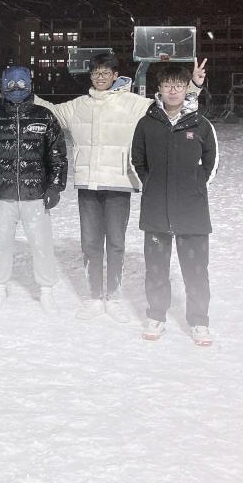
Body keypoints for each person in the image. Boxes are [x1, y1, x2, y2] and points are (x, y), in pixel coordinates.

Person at [34, 54, 207, 322]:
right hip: (88, 185)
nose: (100, 77)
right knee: (90, 244)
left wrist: (193, 86)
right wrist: (23, 92)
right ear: (90, 76)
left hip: (119, 184)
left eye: (106, 72)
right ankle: (94, 297)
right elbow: (51, 112)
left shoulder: (133, 103)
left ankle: (113, 297)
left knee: (115, 243)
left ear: (115, 76)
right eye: (96, 73)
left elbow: (170, 103)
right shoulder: (78, 105)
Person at [132, 64, 219, 346]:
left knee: (196, 270)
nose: (173, 91)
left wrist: (195, 187)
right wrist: (152, 185)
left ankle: (199, 321)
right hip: (156, 209)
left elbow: (212, 162)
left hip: (192, 211)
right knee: (156, 269)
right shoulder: (146, 123)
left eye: (178, 85)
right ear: (159, 89)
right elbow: (136, 160)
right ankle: (156, 315)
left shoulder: (200, 124)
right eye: (167, 85)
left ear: (186, 89)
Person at [0, 65, 67, 313]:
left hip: (35, 194)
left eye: (21, 83)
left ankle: (46, 290)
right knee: (0, 243)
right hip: (2, 195)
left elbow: (57, 155)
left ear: (30, 85)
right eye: (11, 84)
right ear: (3, 86)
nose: (16, 88)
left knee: (41, 243)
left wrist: (55, 187)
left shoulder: (44, 116)